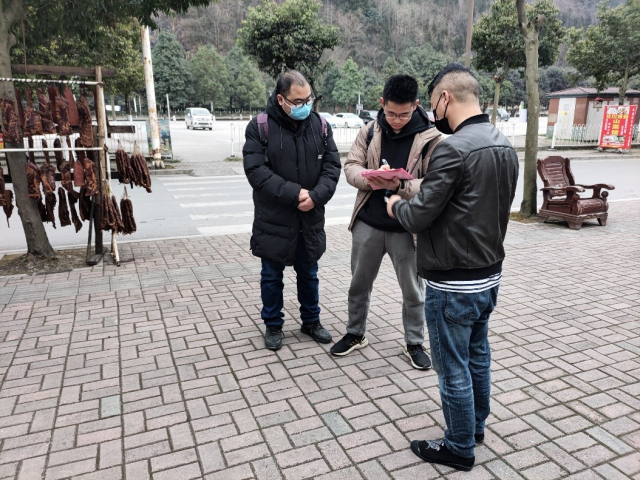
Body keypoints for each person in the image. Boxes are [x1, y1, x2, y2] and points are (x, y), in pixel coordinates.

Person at [387, 64, 519, 471]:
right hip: (489, 274)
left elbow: (419, 215)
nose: (433, 113)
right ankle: (474, 426)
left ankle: (459, 446)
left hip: (453, 281)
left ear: (445, 98)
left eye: (432, 104)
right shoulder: (502, 142)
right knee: (477, 354)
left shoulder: (452, 148)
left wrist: (396, 206)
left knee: (452, 367)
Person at [330, 74, 442, 370]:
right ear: (382, 103)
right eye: (391, 113)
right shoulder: (369, 131)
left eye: (404, 114)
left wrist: (400, 185)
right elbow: (351, 166)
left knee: (412, 290)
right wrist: (372, 179)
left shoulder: (431, 138)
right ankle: (355, 333)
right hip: (368, 221)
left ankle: (414, 342)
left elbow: (435, 182)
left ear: (416, 105)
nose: (396, 120)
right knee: (359, 283)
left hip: (407, 226)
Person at [243, 70, 341, 351]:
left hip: (309, 215)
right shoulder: (260, 127)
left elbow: (332, 167)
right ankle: (273, 325)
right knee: (271, 275)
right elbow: (256, 171)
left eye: (309, 99)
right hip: (274, 218)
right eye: (298, 101)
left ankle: (311, 321)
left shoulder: (320, 125)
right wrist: (294, 193)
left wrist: (316, 196)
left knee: (309, 272)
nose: (305, 105)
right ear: (281, 99)